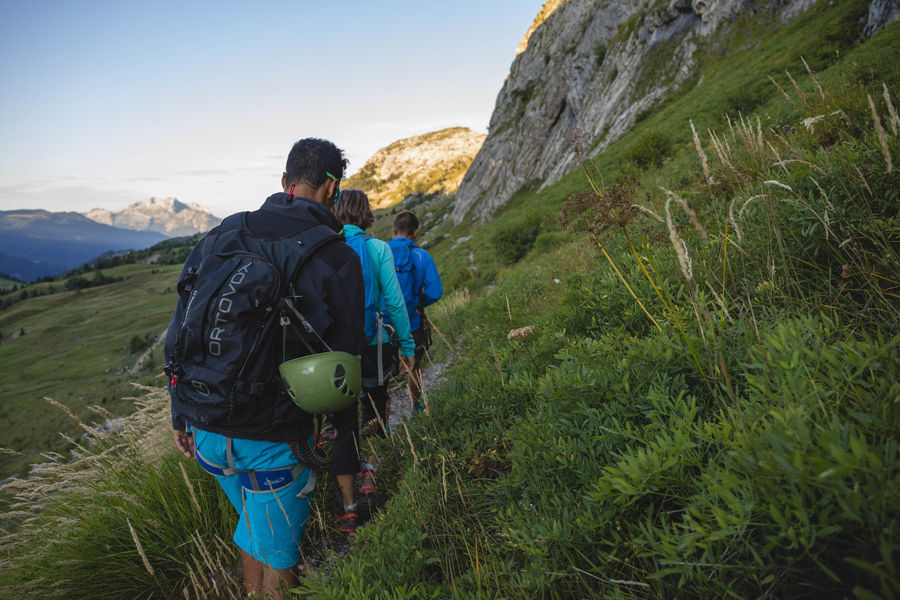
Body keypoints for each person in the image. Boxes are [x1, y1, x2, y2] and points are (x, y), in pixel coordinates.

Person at [165, 138, 365, 599]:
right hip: (273, 439)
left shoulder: (222, 234)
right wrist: (341, 431)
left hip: (206, 430)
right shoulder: (336, 256)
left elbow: (180, 324)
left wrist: (180, 412)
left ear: (284, 182)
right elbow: (345, 359)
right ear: (332, 187)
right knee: (280, 555)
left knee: (255, 532)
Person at [330, 189, 414, 535]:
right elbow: (394, 302)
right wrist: (407, 345)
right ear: (366, 213)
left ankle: (349, 508)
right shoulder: (378, 248)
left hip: (335, 351)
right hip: (375, 345)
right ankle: (371, 475)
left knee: (341, 422)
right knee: (377, 407)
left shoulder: (326, 248)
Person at [386, 210, 444, 412]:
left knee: (384, 372)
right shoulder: (422, 256)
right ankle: (417, 407)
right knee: (414, 366)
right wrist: (418, 304)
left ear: (394, 230)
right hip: (414, 322)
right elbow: (435, 292)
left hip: (386, 325)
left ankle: (382, 422)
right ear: (416, 232)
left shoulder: (380, 252)